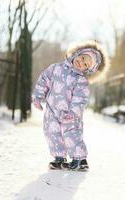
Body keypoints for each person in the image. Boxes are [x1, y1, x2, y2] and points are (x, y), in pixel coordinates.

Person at [31, 41, 109, 171]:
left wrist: (73, 113)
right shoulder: (55, 68)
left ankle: (79, 159)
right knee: (51, 133)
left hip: (70, 115)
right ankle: (59, 158)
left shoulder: (81, 81)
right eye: (83, 58)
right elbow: (43, 80)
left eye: (86, 65)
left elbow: (80, 99)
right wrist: (38, 96)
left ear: (88, 70)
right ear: (78, 53)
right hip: (52, 110)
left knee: (72, 135)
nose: (81, 62)